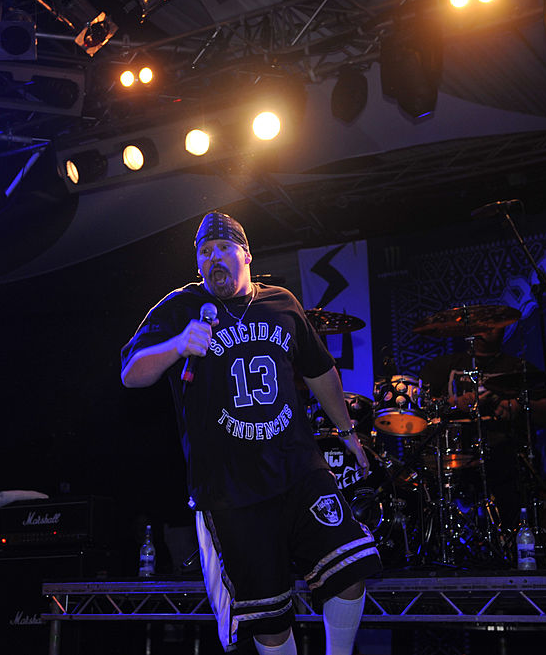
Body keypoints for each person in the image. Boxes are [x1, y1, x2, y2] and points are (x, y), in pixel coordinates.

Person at [121, 211, 382, 655]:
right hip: (230, 489)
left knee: (350, 568)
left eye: (223, 248)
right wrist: (177, 344)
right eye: (205, 252)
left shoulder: (280, 302)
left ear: (246, 254)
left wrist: (347, 432)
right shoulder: (179, 308)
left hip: (298, 468)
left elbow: (319, 371)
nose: (214, 258)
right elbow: (132, 373)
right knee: (268, 617)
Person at [418, 325, 546, 533]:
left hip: (507, 461)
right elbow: (417, 406)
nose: (484, 331)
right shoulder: (443, 366)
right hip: (453, 463)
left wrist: (520, 405)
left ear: (504, 330)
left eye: (491, 326)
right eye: (478, 326)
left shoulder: (518, 367)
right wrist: (452, 403)